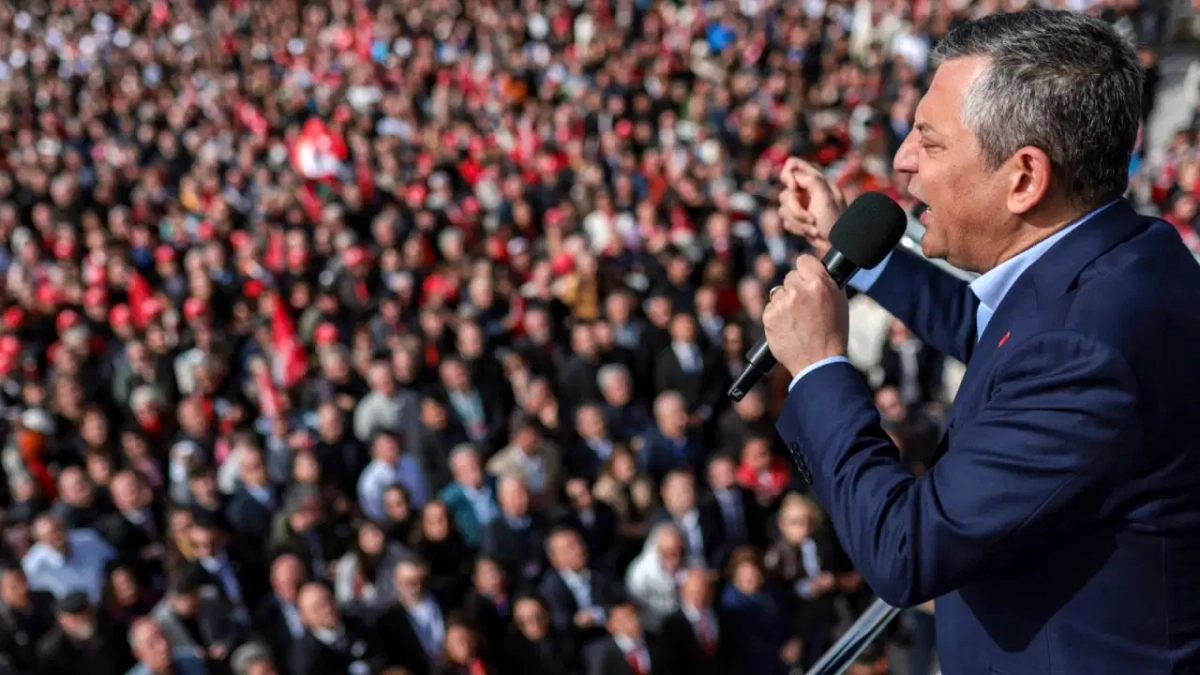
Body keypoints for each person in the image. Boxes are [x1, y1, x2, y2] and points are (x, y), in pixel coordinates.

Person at [766, 8, 1200, 674]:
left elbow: (904, 552)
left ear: (1024, 177)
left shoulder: (1087, 352)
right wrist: (860, 254)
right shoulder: (1133, 255)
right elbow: (1004, 337)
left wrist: (821, 365)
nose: (904, 162)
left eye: (930, 142)